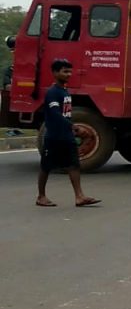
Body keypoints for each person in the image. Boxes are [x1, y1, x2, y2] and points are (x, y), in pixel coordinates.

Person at [36, 59, 101, 208]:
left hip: (67, 136)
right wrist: (75, 127)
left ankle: (79, 197)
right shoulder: (52, 92)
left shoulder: (65, 90)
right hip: (54, 136)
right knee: (46, 166)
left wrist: (71, 130)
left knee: (74, 165)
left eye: (70, 71)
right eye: (65, 71)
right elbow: (55, 114)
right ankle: (41, 196)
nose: (68, 74)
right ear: (55, 73)